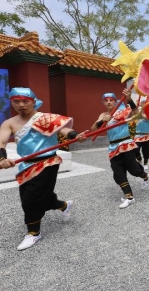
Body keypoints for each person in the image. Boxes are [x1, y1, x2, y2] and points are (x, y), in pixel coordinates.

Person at [0, 87, 87, 251]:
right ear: (11, 102)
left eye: (25, 101)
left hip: (48, 162)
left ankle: (33, 233)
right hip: (27, 164)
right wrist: (2, 159)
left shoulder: (45, 118)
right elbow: (1, 142)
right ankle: (63, 206)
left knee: (30, 199)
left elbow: (64, 130)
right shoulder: (9, 123)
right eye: (16, 101)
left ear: (33, 102)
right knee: (41, 197)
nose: (21, 105)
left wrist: (76, 136)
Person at [91, 89, 149, 209]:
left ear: (115, 101)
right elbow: (93, 128)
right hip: (113, 147)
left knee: (134, 170)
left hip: (125, 144)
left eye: (111, 100)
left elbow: (135, 113)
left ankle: (145, 176)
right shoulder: (103, 115)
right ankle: (130, 197)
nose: (108, 102)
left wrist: (129, 99)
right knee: (118, 173)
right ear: (103, 102)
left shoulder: (122, 111)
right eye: (106, 101)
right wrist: (103, 121)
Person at [134, 98, 149, 169]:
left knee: (146, 151)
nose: (144, 103)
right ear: (141, 104)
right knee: (135, 149)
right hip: (138, 135)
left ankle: (145, 163)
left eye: (146, 102)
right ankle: (139, 159)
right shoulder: (138, 111)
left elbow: (147, 118)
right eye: (143, 102)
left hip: (147, 135)